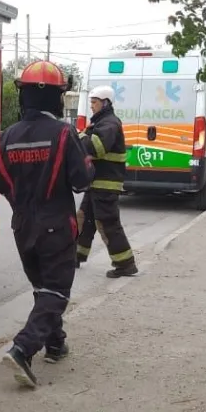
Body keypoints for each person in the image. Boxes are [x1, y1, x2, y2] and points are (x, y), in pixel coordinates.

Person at [0, 61, 95, 388]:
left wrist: (21, 204)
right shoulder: (63, 133)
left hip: (22, 227)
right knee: (57, 292)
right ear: (54, 97)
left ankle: (56, 344)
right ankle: (22, 349)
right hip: (56, 227)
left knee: (43, 290)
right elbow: (82, 180)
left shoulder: (8, 136)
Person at [75, 85, 139, 278]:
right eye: (91, 102)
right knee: (84, 219)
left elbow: (97, 148)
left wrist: (78, 135)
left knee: (107, 223)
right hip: (96, 182)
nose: (91, 106)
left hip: (106, 183)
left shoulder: (109, 123)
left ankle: (125, 264)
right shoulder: (101, 122)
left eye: (94, 102)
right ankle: (75, 255)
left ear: (105, 103)